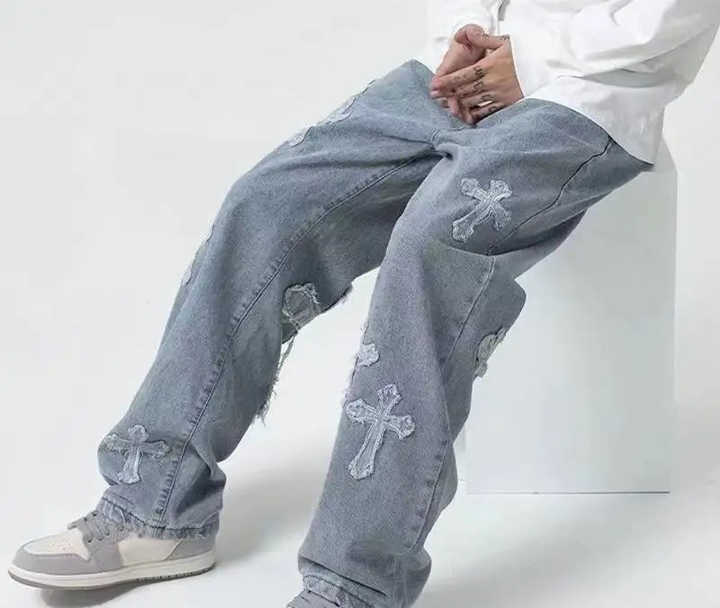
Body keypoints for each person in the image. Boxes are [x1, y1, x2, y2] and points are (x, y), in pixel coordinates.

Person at [8, 1, 719, 607]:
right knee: (269, 201)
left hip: (588, 93)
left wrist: (530, 60)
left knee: (430, 245)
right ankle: (154, 504)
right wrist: (468, 36)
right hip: (457, 71)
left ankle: (357, 581)